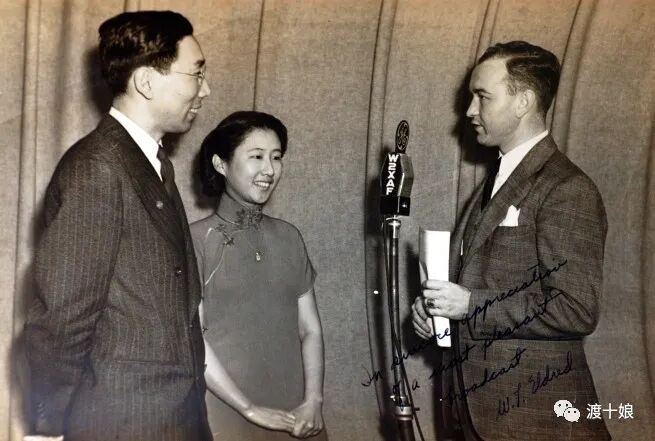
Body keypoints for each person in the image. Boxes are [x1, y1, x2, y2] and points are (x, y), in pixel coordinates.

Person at [24, 11, 212, 441]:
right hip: (121, 424)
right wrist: (49, 426)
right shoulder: (98, 168)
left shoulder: (149, 163)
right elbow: (61, 319)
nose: (205, 89)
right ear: (146, 82)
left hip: (169, 421)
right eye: (197, 74)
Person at [412, 41, 611, 440]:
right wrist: (437, 313)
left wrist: (469, 305)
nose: (470, 110)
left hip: (537, 421)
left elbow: (576, 309)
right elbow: (481, 283)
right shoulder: (498, 180)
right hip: (478, 414)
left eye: (482, 96)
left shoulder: (567, 188)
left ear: (523, 102)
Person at [191, 111, 327, 440]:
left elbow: (310, 329)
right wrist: (249, 409)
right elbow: (194, 340)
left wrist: (313, 401)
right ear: (220, 164)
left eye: (276, 157)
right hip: (226, 413)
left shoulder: (289, 237)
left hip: (296, 414)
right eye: (256, 157)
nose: (269, 169)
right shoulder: (194, 240)